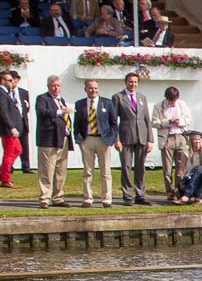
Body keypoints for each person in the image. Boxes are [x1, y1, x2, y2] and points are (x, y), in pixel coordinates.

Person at [72, 78, 119, 207]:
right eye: (91, 88)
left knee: (105, 171)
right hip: (87, 140)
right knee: (88, 171)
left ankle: (106, 199)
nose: (93, 90)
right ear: (85, 89)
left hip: (103, 140)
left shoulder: (107, 103)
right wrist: (79, 139)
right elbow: (76, 124)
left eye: (96, 88)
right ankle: (87, 198)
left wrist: (112, 138)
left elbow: (114, 123)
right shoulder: (80, 104)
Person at [114, 72, 154, 206]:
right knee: (126, 167)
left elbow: (147, 119)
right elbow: (114, 121)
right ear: (126, 82)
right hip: (126, 136)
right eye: (130, 82)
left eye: (135, 82)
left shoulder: (142, 97)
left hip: (141, 137)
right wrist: (116, 139)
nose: (133, 84)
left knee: (140, 167)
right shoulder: (118, 97)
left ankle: (140, 195)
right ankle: (127, 195)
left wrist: (150, 139)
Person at [34, 75, 73, 209]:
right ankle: (45, 198)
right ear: (48, 86)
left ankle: (58, 197)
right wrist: (59, 111)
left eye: (58, 86)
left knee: (60, 169)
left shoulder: (61, 100)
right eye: (53, 86)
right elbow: (42, 112)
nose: (56, 88)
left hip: (63, 138)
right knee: (47, 169)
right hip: (48, 140)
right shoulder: (42, 99)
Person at [154, 85, 193, 201]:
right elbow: (154, 123)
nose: (172, 102)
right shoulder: (158, 106)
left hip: (181, 136)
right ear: (166, 98)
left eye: (174, 100)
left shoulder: (182, 105)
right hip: (167, 138)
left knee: (181, 167)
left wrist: (180, 121)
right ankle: (169, 191)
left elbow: (189, 120)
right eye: (170, 100)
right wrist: (168, 122)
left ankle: (179, 189)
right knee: (167, 168)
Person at [0, 69, 28, 191]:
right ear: (3, 81)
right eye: (10, 80)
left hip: (12, 129)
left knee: (18, 150)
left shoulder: (6, 93)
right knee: (10, 153)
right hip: (8, 130)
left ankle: (3, 173)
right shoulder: (1, 93)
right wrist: (11, 127)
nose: (13, 82)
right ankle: (5, 179)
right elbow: (3, 112)